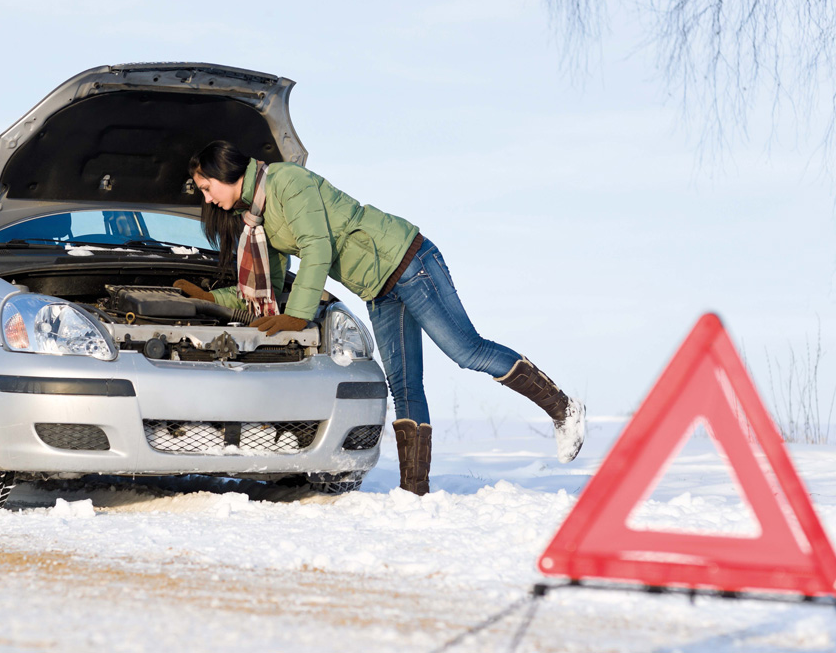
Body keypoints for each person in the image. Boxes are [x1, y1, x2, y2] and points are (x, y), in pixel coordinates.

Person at [173, 141, 585, 495]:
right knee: (404, 385)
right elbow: (272, 285)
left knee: (466, 350)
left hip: (408, 261)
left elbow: (317, 248)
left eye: (207, 188)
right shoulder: (258, 219)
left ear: (223, 172)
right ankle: (415, 492)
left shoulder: (286, 182)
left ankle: (563, 409)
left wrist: (299, 317)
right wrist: (212, 297)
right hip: (379, 288)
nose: (207, 198)